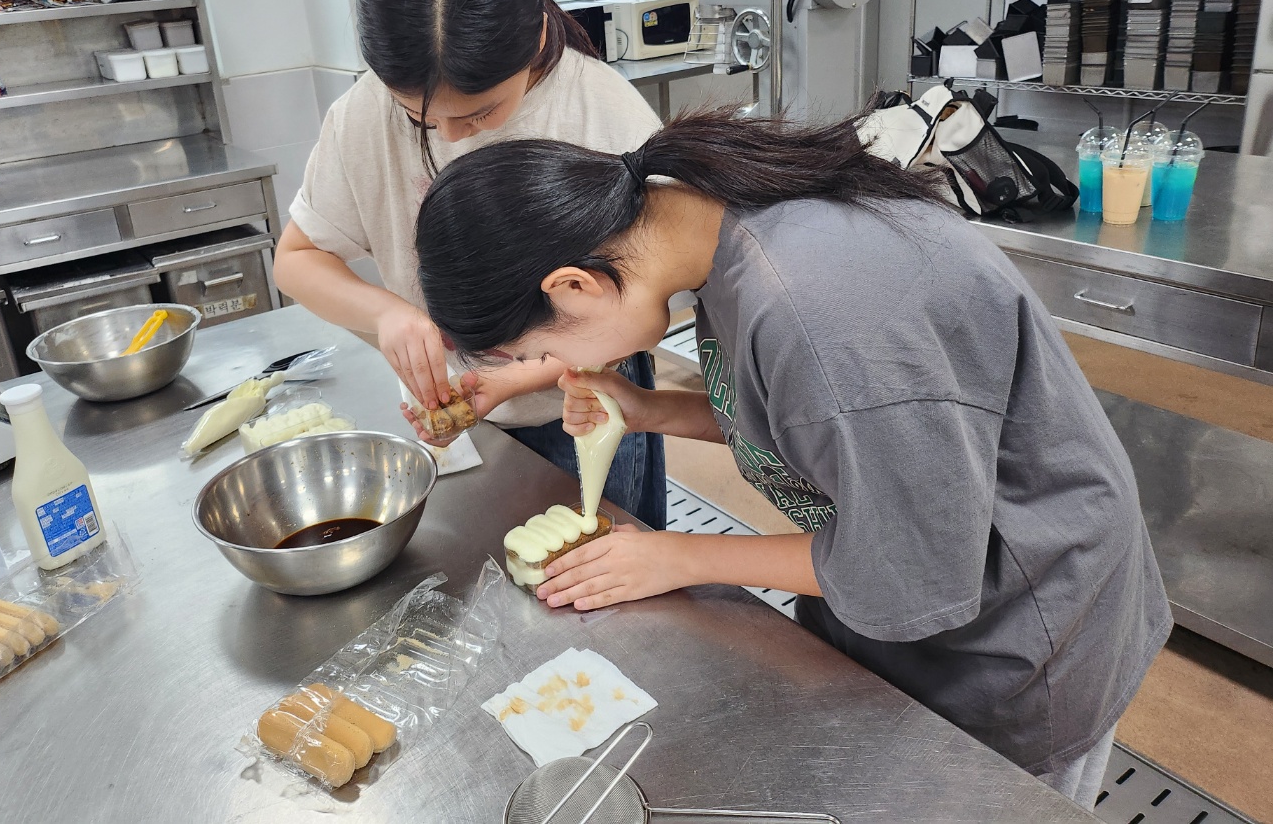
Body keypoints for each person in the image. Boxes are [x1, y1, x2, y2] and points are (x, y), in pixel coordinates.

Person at [411, 109, 1172, 809]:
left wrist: (678, 555)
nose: (556, 368)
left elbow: (906, 566)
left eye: (538, 351)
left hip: (1023, 622)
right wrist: (649, 411)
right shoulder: (713, 224)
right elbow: (809, 423)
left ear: (573, 286)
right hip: (928, 573)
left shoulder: (818, 311)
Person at [273, 0, 666, 527]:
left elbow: (641, 312)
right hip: (459, 426)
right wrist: (387, 313)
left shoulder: (602, 114)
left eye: (481, 113)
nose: (453, 137)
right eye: (421, 119)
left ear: (537, 36)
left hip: (581, 409)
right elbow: (297, 260)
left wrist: (514, 380)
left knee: (608, 567)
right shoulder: (362, 114)